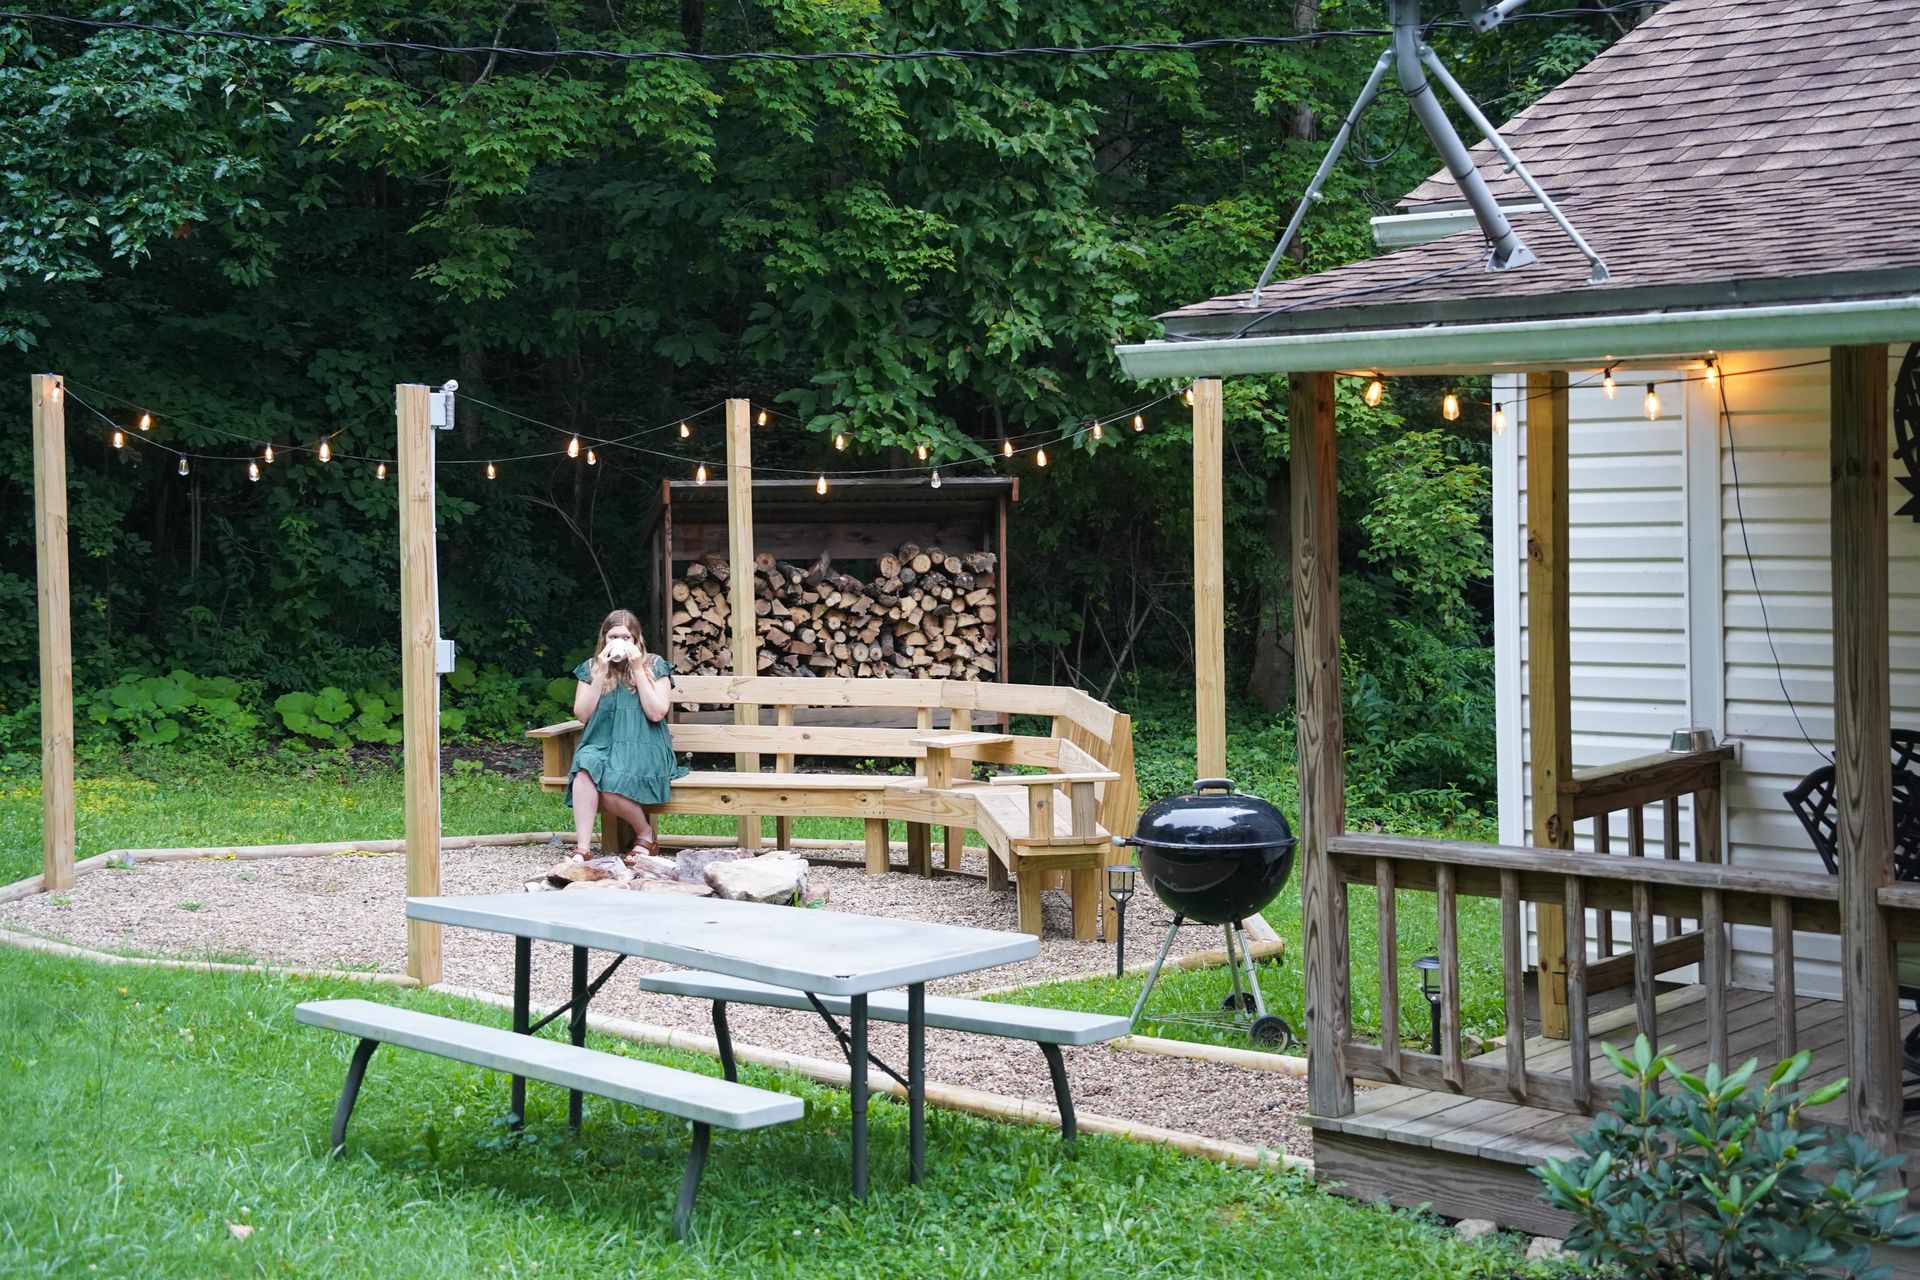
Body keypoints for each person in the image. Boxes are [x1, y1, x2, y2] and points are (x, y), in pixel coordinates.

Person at [565, 609, 686, 860]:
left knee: (610, 784)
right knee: (584, 768)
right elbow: (582, 715)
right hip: (601, 744)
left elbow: (657, 713)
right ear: (604, 640)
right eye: (612, 637)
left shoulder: (653, 665)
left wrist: (638, 668)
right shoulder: (591, 668)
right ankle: (583, 848)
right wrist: (600, 673)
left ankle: (645, 834)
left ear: (636, 639)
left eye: (626, 637)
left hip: (644, 745)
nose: (618, 641)